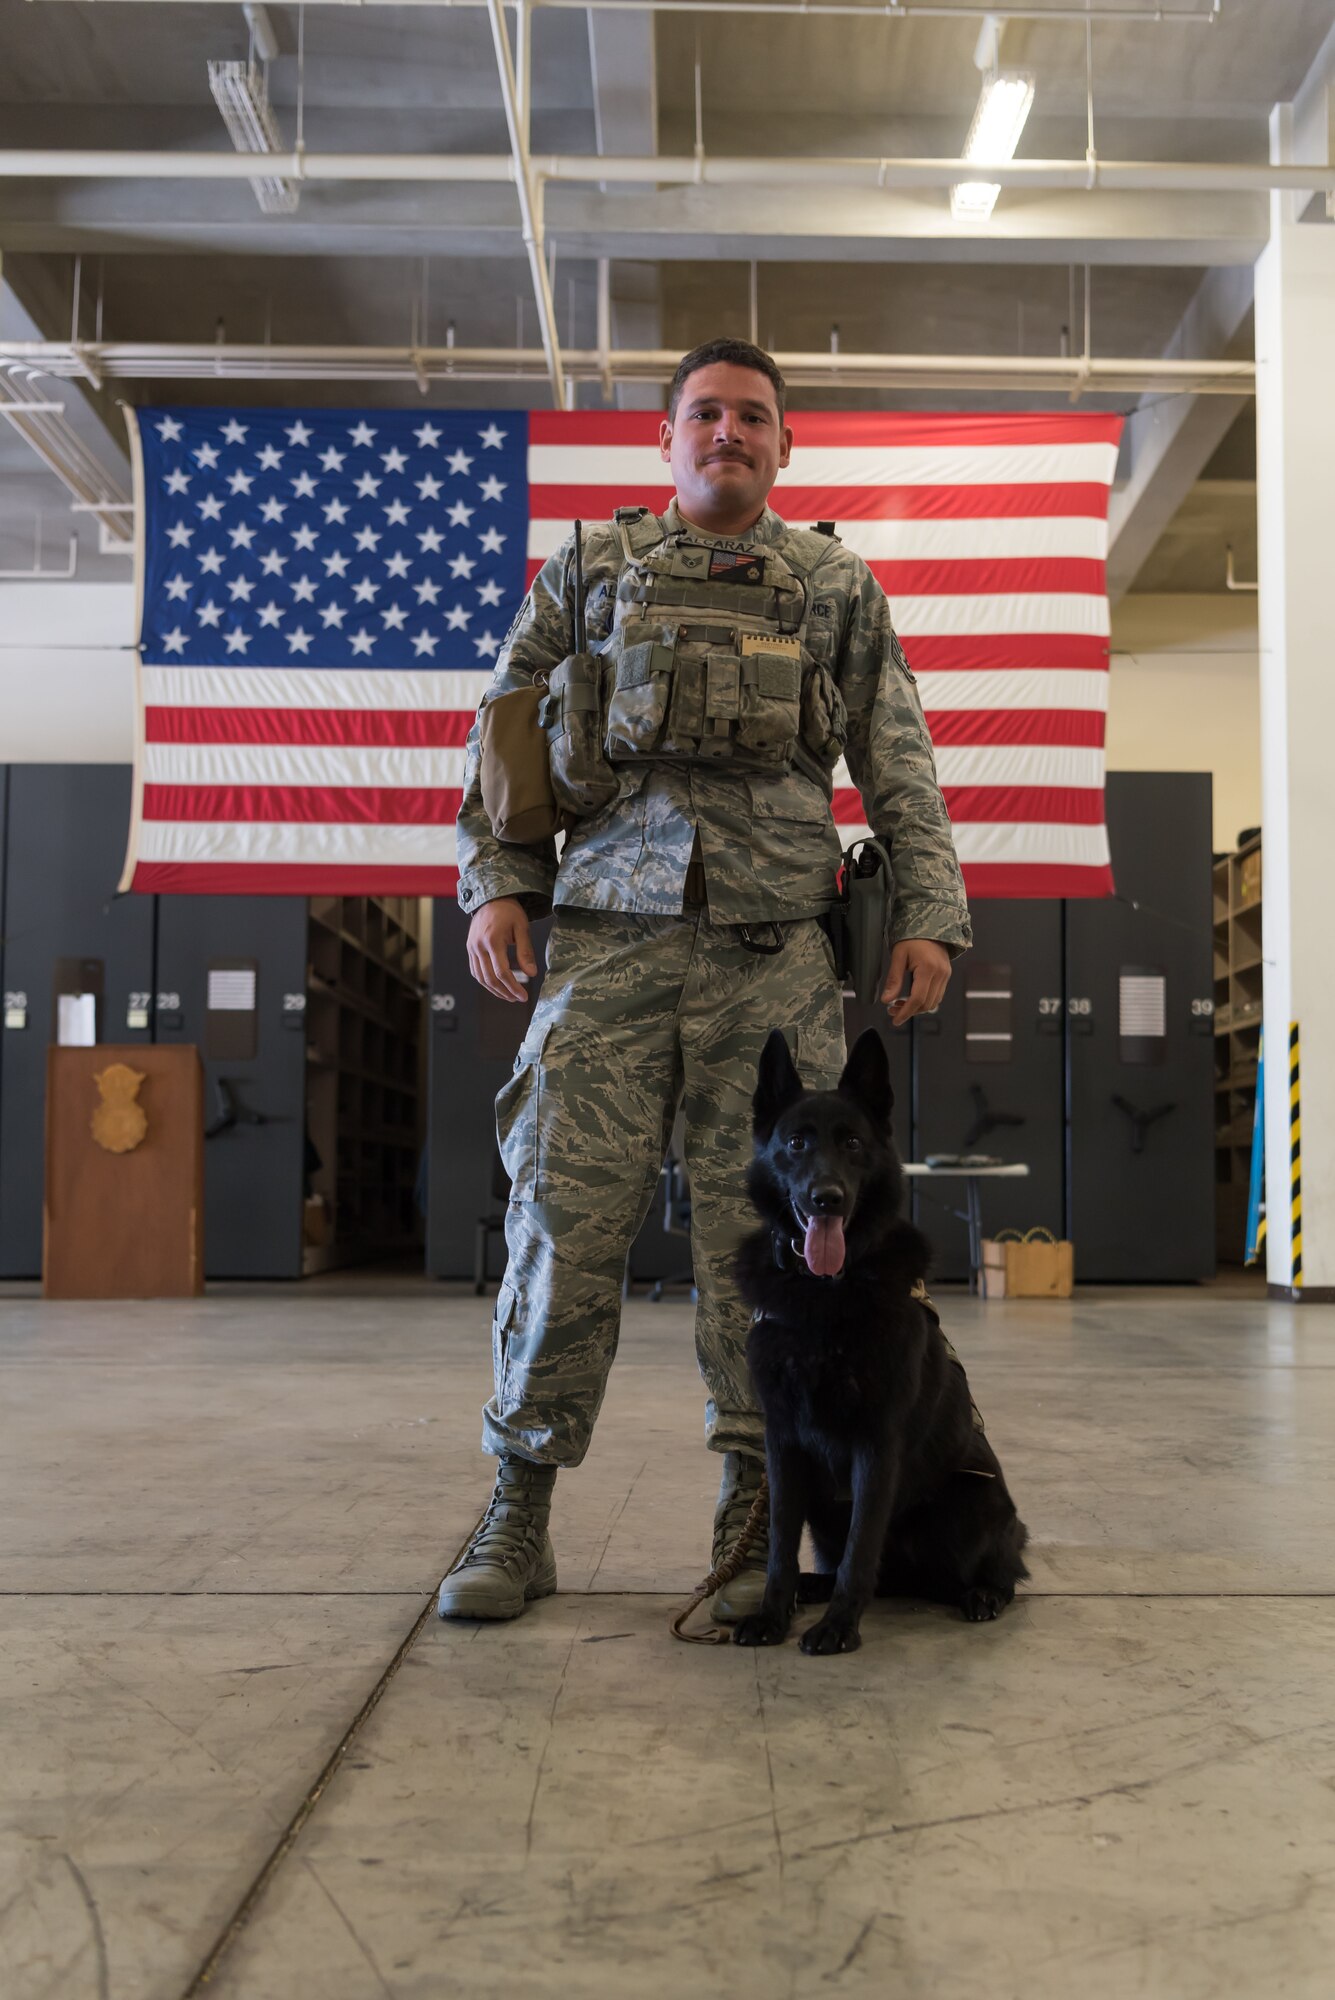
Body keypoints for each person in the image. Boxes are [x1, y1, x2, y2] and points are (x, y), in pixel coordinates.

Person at [438, 337, 971, 1623]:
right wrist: (496, 882)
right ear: (667, 440)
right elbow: (508, 731)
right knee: (561, 1222)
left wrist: (932, 913)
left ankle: (753, 1523)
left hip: (776, 954)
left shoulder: (834, 584)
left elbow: (897, 753)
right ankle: (518, 1508)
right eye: (704, 414)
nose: (726, 432)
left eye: (752, 417)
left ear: (785, 445)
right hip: (607, 947)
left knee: (783, 1253)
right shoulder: (590, 569)